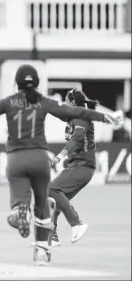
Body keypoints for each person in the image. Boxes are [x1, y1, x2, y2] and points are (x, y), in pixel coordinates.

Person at [0, 64, 122, 266]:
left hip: (16, 158)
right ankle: (43, 251)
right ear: (36, 83)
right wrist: (107, 117)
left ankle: (21, 208)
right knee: (43, 204)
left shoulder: (8, 102)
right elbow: (78, 112)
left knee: (21, 195)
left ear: (16, 83)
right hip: (39, 158)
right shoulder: (43, 102)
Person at [47, 89, 101, 246]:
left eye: (65, 100)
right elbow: (58, 111)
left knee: (52, 189)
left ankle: (77, 224)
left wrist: (59, 156)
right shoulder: (73, 117)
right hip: (76, 166)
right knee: (54, 200)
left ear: (72, 102)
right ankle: (52, 237)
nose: (63, 103)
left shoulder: (82, 119)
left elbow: (75, 140)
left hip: (83, 166)